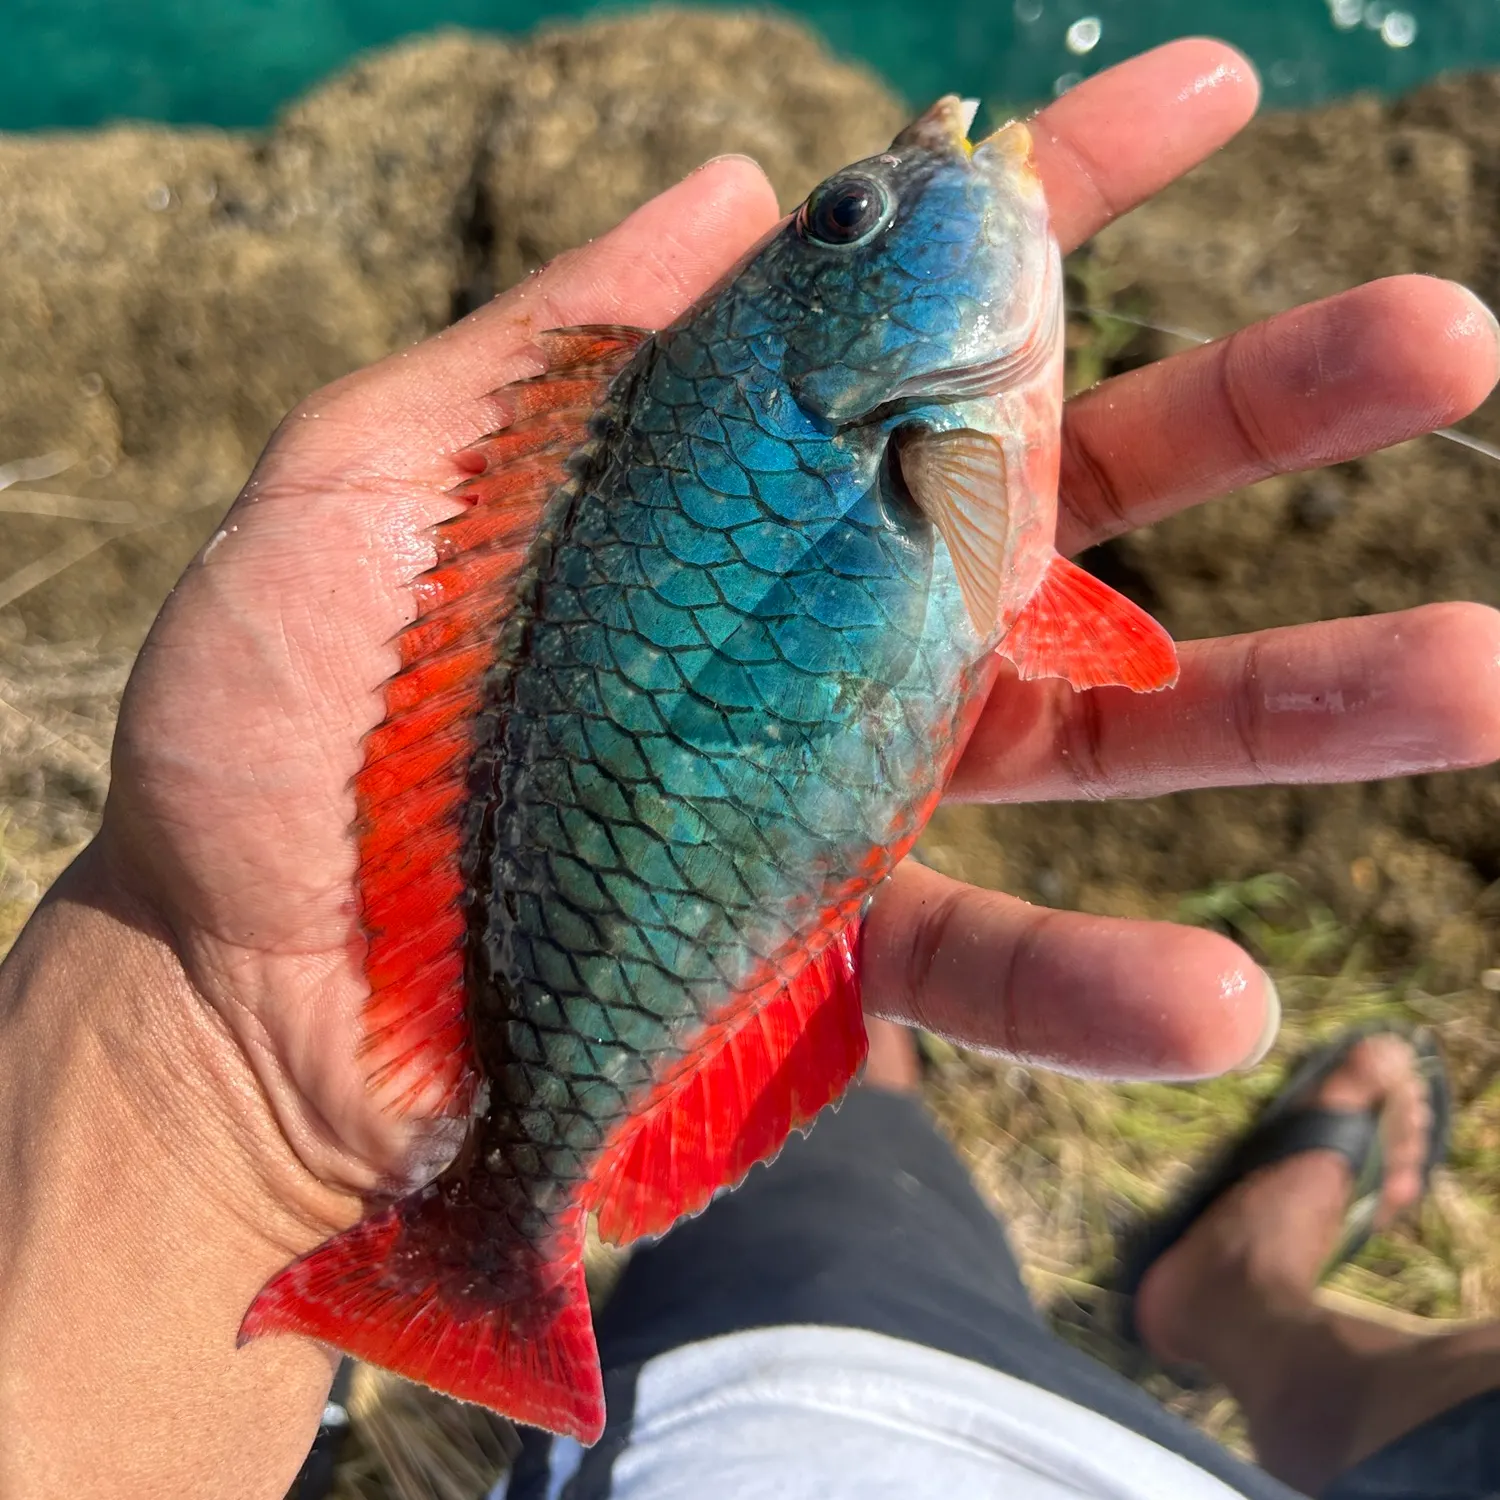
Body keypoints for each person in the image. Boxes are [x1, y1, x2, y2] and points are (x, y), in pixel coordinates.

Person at [1, 37, 1499, 1500]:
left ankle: (811, 1102)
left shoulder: (908, 423)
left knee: (855, 1148)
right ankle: (1208, 1288)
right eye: (849, 222)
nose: (900, 181)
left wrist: (206, 1069)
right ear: (847, 360)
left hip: (730, 1394)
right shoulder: (906, 427)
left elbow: (1028, 596)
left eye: (840, 216)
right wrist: (218, 1060)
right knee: (851, 1090)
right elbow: (1041, 612)